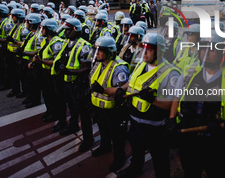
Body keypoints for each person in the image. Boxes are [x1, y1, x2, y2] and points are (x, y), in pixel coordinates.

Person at [169, 30, 225, 177]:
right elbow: (177, 97)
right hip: (188, 140)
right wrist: (172, 119)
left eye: (212, 49)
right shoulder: (189, 72)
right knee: (190, 172)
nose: (206, 52)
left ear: (223, 52)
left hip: (217, 144)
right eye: (203, 47)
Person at [116, 33, 180, 178]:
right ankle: (135, 170)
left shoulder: (171, 74)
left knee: (160, 160)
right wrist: (122, 89)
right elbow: (130, 82)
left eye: (149, 49)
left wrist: (153, 100)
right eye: (143, 48)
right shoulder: (141, 65)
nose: (144, 53)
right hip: (135, 123)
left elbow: (172, 104)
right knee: (136, 151)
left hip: (155, 129)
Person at [51, 18, 94, 152]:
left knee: (84, 113)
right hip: (67, 83)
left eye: (67, 30)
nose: (65, 32)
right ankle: (73, 125)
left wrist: (70, 71)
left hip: (79, 84)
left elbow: (87, 68)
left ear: (75, 30)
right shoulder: (66, 43)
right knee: (72, 108)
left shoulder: (84, 45)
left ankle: (88, 139)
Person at [89, 36, 130, 172]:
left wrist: (103, 90)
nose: (98, 53)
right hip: (100, 107)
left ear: (109, 51)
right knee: (103, 130)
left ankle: (119, 157)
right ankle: (105, 146)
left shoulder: (119, 68)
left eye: (101, 50)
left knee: (117, 136)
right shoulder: (99, 63)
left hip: (114, 109)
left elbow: (121, 91)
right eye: (97, 50)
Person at [31, 19, 64, 123]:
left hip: (52, 74)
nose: (41, 30)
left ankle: (55, 114)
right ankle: (49, 111)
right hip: (45, 72)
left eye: (43, 28)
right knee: (46, 94)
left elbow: (56, 61)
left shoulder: (56, 43)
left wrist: (41, 61)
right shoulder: (46, 41)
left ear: (49, 29)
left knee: (54, 95)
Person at [5, 8, 28, 97]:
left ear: (18, 17)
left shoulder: (23, 29)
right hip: (11, 54)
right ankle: (15, 90)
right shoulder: (14, 26)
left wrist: (14, 41)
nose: (12, 17)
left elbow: (25, 43)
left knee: (21, 75)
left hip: (17, 55)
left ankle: (25, 92)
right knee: (12, 74)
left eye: (13, 16)